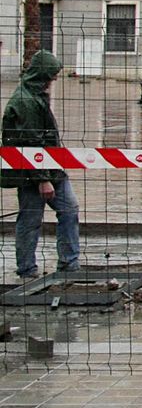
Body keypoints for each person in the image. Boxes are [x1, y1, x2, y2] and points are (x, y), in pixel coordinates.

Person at [2, 51, 79, 280]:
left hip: (51, 168)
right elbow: (32, 144)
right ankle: (27, 269)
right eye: (52, 76)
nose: (53, 81)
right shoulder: (25, 102)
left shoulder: (34, 96)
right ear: (42, 75)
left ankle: (69, 264)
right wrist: (43, 179)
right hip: (33, 174)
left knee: (69, 210)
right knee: (30, 219)